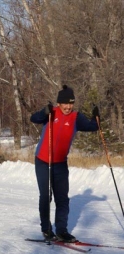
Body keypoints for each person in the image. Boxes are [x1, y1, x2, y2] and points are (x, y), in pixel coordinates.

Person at [30, 85, 99, 242]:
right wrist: (43, 112)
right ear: (59, 103)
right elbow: (33, 118)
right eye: (65, 103)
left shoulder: (76, 117)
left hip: (60, 163)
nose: (68, 107)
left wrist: (96, 118)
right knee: (46, 196)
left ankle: (62, 230)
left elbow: (92, 127)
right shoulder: (51, 112)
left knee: (62, 198)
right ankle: (46, 229)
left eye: (71, 103)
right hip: (43, 161)